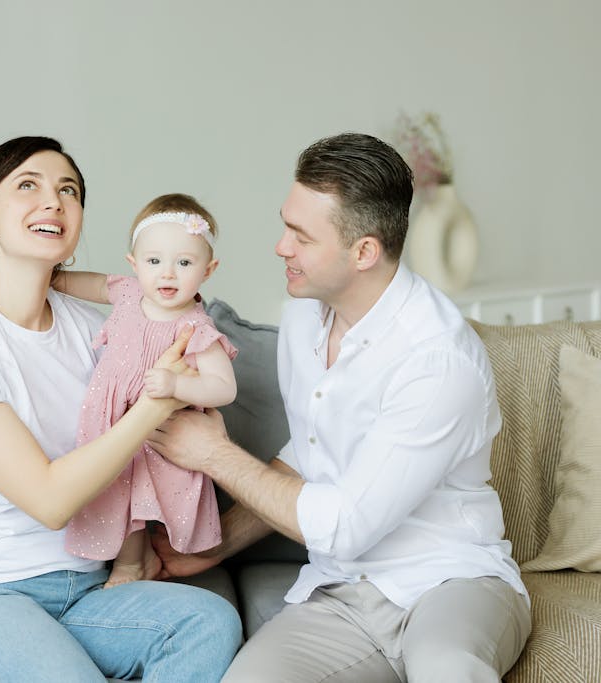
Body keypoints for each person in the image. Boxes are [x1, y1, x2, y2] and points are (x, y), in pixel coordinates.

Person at [148, 133, 531, 682]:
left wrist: (215, 455)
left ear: (364, 252)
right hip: (341, 595)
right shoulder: (303, 316)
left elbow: (346, 526)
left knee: (447, 670)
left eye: (301, 237)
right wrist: (214, 547)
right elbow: (309, 456)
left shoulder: (437, 359)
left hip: (451, 580)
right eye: (286, 225)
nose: (281, 247)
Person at [0, 136, 241, 683]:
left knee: (208, 622)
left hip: (83, 588)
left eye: (68, 191)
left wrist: (197, 407)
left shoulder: (97, 329)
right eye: (28, 186)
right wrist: (158, 404)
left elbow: (175, 424)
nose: (53, 201)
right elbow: (50, 501)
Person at [53, 193, 237, 588]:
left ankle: (133, 565)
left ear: (208, 269)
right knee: (114, 491)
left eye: (184, 263)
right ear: (134, 266)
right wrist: (49, 277)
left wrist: (177, 384)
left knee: (141, 500)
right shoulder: (128, 292)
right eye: (154, 262)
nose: (167, 274)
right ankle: (132, 561)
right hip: (111, 423)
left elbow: (224, 388)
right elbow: (92, 283)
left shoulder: (195, 327)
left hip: (158, 435)